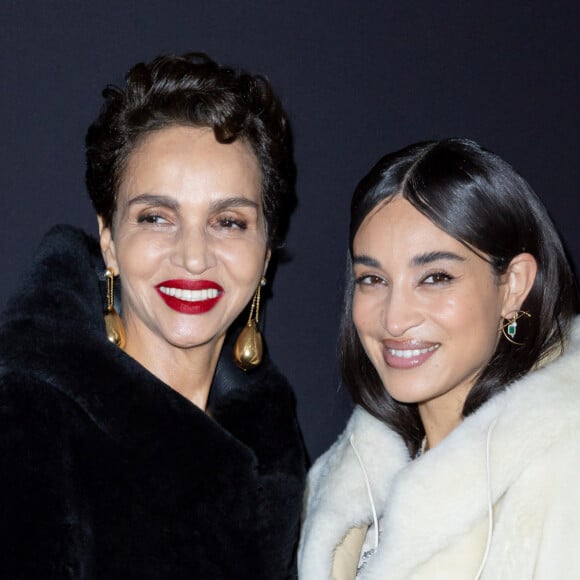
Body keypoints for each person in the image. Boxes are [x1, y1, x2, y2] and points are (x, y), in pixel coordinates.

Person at [0, 53, 306, 579]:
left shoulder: (275, 456)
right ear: (109, 240)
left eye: (229, 221)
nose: (193, 256)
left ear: (265, 255)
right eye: (156, 217)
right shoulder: (30, 429)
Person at [299, 138, 580, 579]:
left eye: (435, 277)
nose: (394, 319)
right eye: (372, 279)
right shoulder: (341, 482)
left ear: (513, 286)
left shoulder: (566, 472)